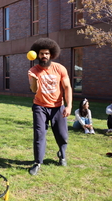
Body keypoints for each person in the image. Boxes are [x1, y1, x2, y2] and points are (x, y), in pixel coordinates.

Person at [27, 38, 72, 175]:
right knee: (39, 134)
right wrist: (34, 80)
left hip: (58, 106)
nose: (44, 56)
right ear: (37, 55)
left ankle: (62, 155)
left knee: (62, 135)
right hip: (40, 106)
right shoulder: (33, 70)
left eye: (46, 53)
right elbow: (34, 90)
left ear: (51, 54)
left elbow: (67, 87)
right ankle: (37, 163)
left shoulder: (60, 68)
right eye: (41, 53)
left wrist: (69, 106)